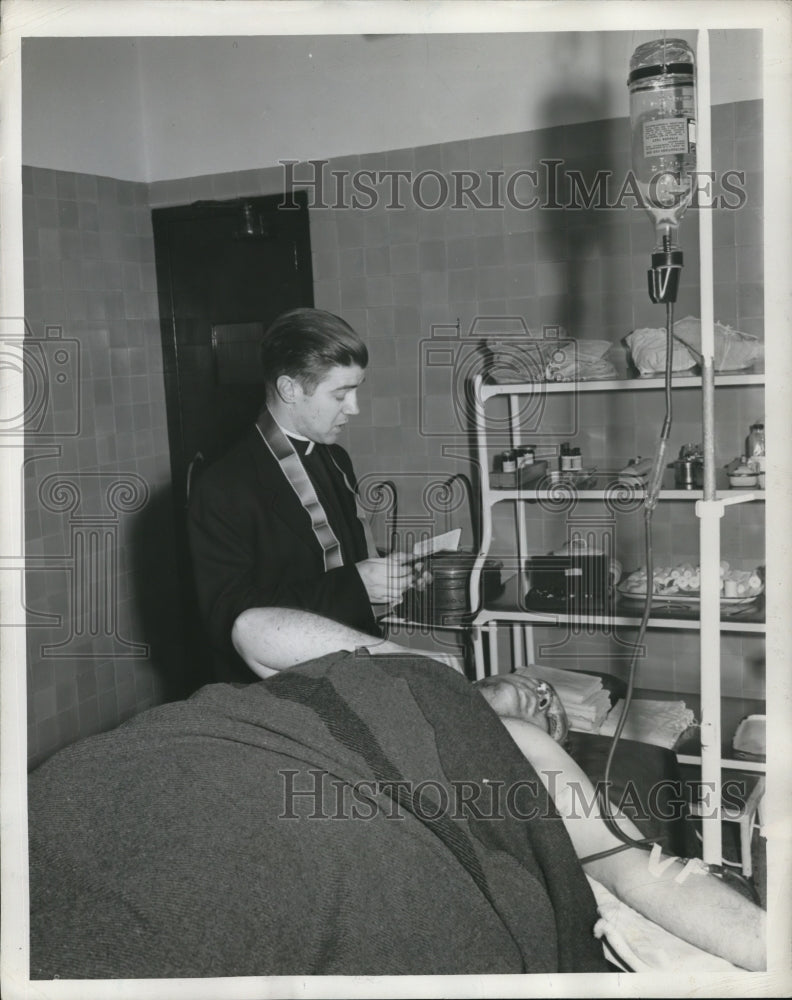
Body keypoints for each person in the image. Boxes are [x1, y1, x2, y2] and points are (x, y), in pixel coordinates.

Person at [231, 606, 767, 973]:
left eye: (547, 706)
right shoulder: (400, 677)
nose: (536, 691)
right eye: (538, 684)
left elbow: (639, 872)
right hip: (227, 756)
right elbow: (252, 628)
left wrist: (772, 949)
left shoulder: (520, 748)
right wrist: (419, 670)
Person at [188, 308, 423, 682]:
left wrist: (385, 579)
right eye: (340, 394)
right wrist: (355, 586)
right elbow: (229, 618)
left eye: (356, 390)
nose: (354, 408)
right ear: (290, 389)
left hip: (350, 665)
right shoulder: (223, 486)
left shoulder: (336, 459)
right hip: (277, 687)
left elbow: (338, 564)